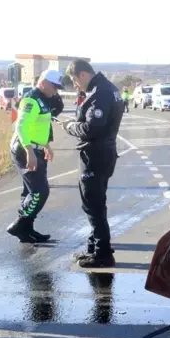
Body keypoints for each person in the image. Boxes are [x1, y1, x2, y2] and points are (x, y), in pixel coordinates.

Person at [60, 59, 124, 268]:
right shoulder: (108, 89)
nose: (75, 85)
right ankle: (93, 247)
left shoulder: (100, 93)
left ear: (82, 75)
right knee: (95, 203)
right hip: (104, 153)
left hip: (95, 155)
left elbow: (91, 128)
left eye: (74, 80)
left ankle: (102, 253)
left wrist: (70, 126)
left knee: (93, 205)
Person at [6, 70, 64, 243]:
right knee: (40, 192)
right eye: (54, 86)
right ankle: (19, 225)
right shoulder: (31, 99)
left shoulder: (44, 99)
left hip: (37, 148)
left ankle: (26, 229)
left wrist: (46, 146)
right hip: (25, 149)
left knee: (31, 192)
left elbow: (40, 127)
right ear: (44, 82)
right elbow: (22, 127)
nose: (56, 90)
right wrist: (30, 152)